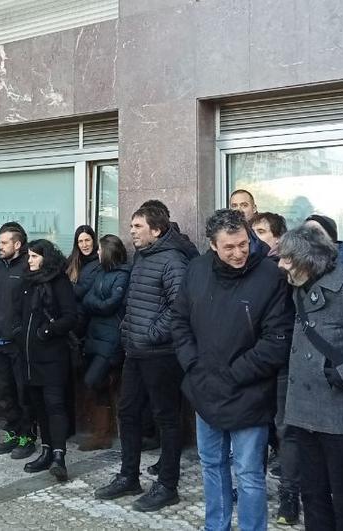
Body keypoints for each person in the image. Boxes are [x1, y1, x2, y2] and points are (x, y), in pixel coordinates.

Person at [171, 209, 291, 530]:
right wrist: (193, 365)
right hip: (204, 387)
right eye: (229, 247)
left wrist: (234, 374)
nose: (238, 253)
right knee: (212, 465)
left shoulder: (270, 275)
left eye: (243, 244)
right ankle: (216, 526)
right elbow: (180, 323)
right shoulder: (196, 270)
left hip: (249, 391)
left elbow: (277, 340)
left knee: (250, 474)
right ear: (213, 245)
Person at [278, 225, 343, 531]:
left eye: (287, 258)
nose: (281, 264)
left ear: (308, 259)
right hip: (306, 412)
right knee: (313, 495)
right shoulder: (300, 288)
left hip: (340, 416)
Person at [95, 205, 187, 512]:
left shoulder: (173, 260)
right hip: (134, 351)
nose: (131, 231)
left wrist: (150, 333)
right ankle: (128, 476)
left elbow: (179, 308)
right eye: (132, 225)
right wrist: (129, 331)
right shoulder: (143, 257)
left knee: (167, 418)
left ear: (156, 230)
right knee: (128, 412)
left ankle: (167, 485)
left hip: (161, 354)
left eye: (137, 226)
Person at [16, 239, 78, 481]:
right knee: (39, 407)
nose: (29, 260)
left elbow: (71, 316)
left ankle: (59, 456)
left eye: (34, 256)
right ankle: (46, 450)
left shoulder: (58, 281)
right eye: (28, 256)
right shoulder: (28, 282)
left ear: (46, 258)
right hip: (30, 357)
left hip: (52, 356)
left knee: (55, 406)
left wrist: (47, 332)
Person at [0, 222, 38, 460]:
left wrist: (24, 333)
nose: (0, 246)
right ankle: (12, 432)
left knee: (22, 391)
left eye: (4, 242)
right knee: (3, 391)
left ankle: (28, 435)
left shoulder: (28, 267)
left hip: (18, 342)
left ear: (17, 244)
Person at [78, 234, 129, 451]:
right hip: (96, 337)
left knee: (94, 380)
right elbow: (88, 298)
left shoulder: (123, 275)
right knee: (97, 384)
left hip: (111, 340)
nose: (96, 252)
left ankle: (104, 432)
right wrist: (96, 303)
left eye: (100, 249)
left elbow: (110, 305)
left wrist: (95, 303)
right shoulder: (101, 273)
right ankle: (102, 432)